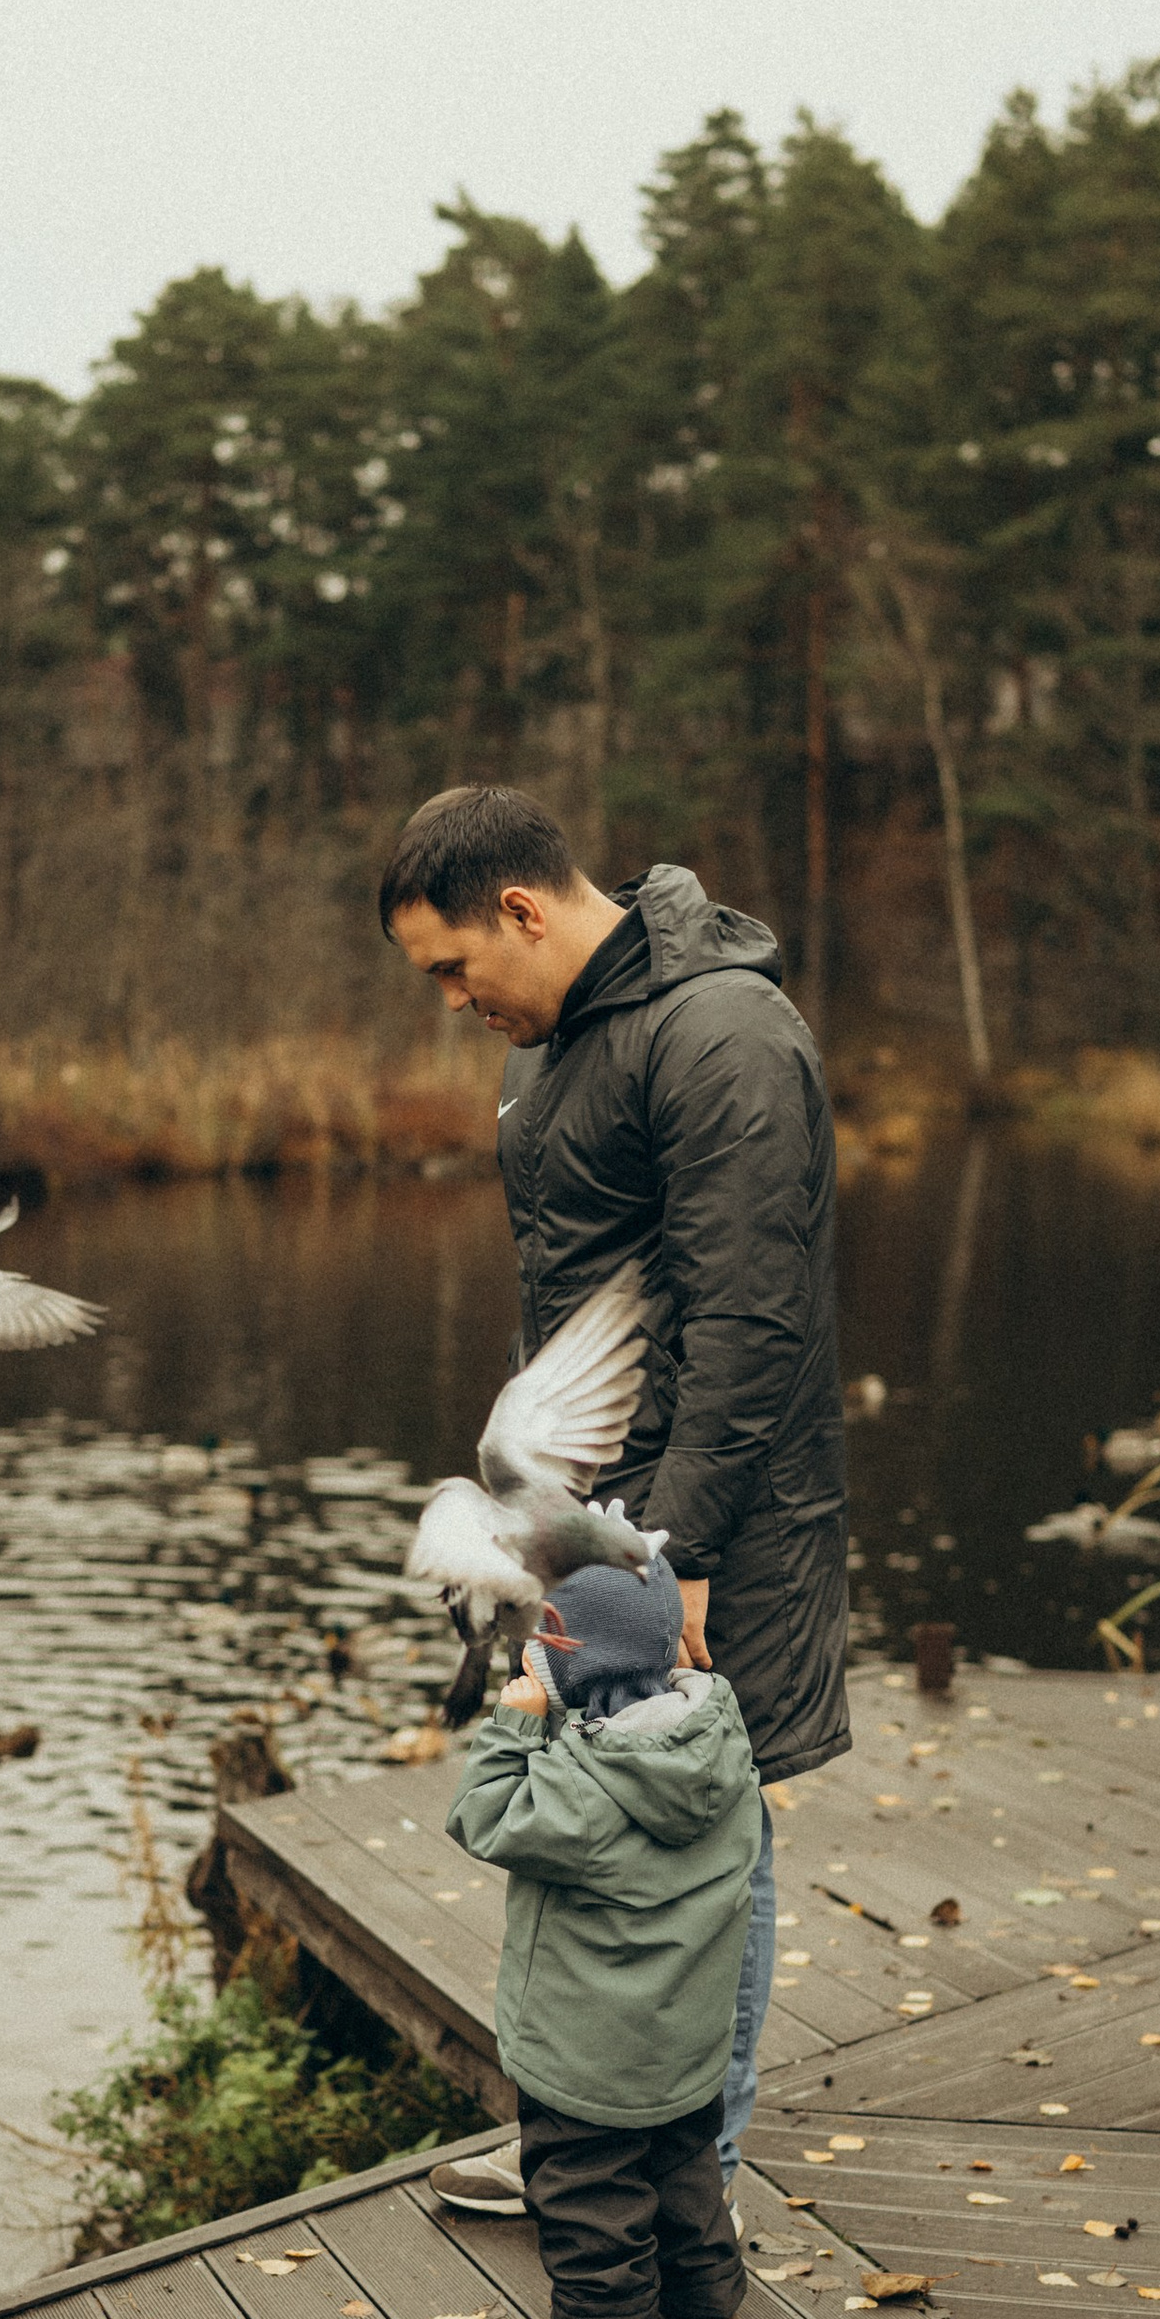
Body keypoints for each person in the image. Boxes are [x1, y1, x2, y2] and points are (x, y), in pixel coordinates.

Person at [379, 784, 849, 2214]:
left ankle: (687, 2183)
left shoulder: (722, 1035)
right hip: (594, 1535)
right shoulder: (558, 1040)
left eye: (455, 968)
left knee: (709, 1833)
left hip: (709, 1527)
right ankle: (599, 2157)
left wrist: (684, 1551)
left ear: (523, 909)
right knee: (599, 1834)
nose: (452, 1001)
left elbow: (751, 1317)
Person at [443, 1550, 761, 2319]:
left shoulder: (579, 1788)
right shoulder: (719, 1743)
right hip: (686, 2039)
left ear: (563, 1663)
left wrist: (516, 1722)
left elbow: (482, 1815)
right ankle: (707, 2314)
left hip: (587, 2050)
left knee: (588, 2192)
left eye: (533, 1646)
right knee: (686, 2173)